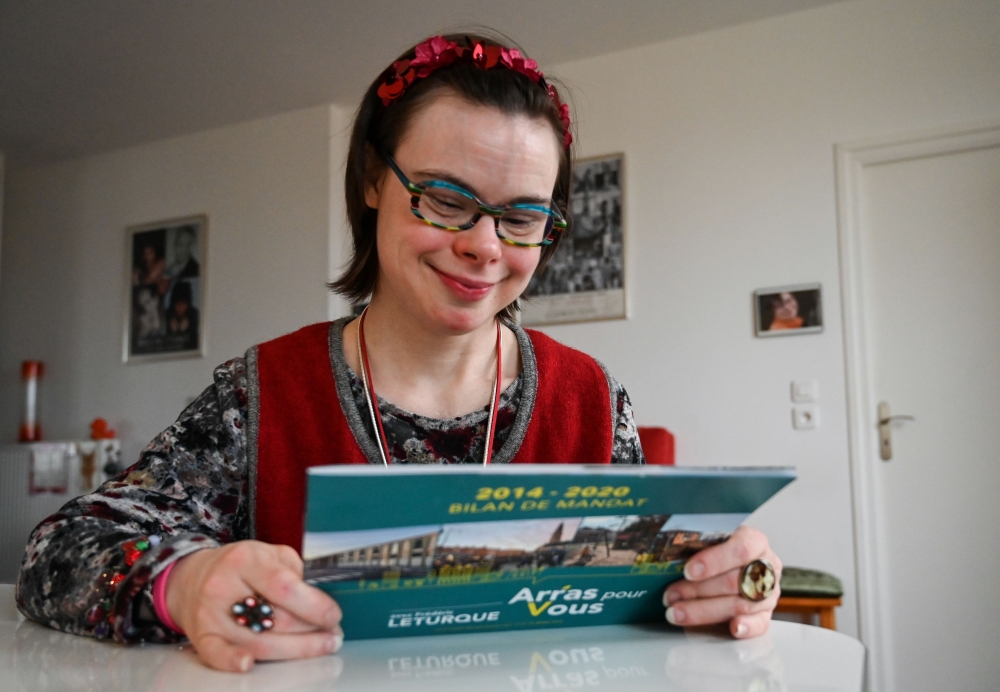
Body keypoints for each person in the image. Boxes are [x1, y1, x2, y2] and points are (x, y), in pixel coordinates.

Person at [16, 32, 781, 673]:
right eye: (447, 199)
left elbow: (645, 595)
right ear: (372, 181)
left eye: (522, 217)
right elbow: (59, 554)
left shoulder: (588, 396)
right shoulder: (262, 393)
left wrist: (724, 579)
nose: (485, 247)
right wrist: (185, 585)